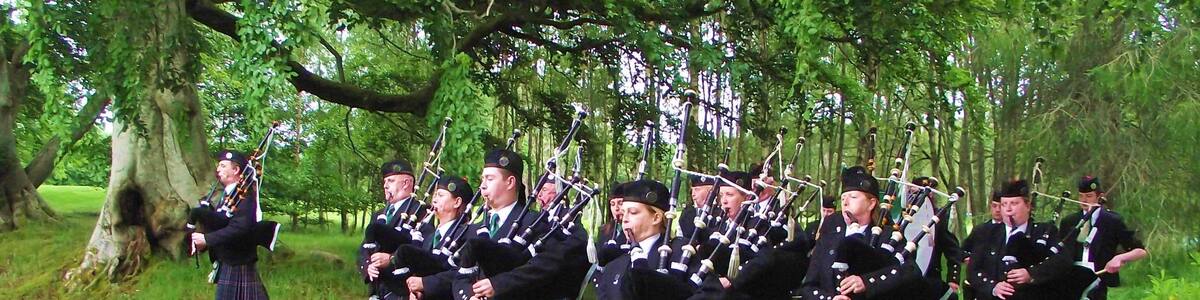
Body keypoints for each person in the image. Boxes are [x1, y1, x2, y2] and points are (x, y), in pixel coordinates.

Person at [799, 166, 918, 300]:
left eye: (853, 197)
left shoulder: (888, 236)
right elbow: (808, 286)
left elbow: (911, 271)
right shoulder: (829, 236)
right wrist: (829, 298)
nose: (845, 203)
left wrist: (867, 282)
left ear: (871, 203)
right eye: (843, 198)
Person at [367, 175, 472, 300]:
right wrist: (416, 291)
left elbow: (460, 274)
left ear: (457, 202)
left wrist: (425, 284)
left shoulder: (466, 235)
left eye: (440, 195)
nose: (434, 200)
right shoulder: (430, 237)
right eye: (435, 195)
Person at [966, 179, 1073, 300]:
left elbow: (1063, 261)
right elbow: (973, 270)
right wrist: (993, 287)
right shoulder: (986, 233)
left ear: (1028, 206)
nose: (1008, 209)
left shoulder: (1044, 232)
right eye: (1004, 204)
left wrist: (1031, 274)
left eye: (1014, 203)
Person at [191, 150, 270, 299]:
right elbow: (222, 224)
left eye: (223, 166)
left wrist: (207, 239)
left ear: (236, 170)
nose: (218, 169)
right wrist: (204, 242)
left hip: (238, 263)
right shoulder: (228, 196)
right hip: (229, 261)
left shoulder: (245, 197)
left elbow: (240, 228)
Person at [1060, 175, 1147, 300]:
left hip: (1098, 281)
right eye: (1081, 196)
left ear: (1099, 197)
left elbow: (1140, 251)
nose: (1084, 200)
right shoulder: (1069, 221)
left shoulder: (1112, 221)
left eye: (1089, 196)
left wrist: (1119, 258)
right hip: (1071, 280)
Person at [358, 160, 433, 299]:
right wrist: (368, 266)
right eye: (385, 181)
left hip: (400, 289)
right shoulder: (379, 214)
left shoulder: (422, 212)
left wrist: (392, 259)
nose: (385, 186)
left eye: (391, 181)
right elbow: (364, 247)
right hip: (377, 289)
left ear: (406, 183)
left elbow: (422, 250)